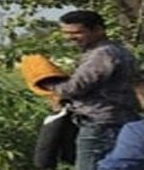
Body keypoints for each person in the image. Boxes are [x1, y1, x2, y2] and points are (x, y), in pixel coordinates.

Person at [46, 10, 140, 170]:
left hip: (101, 124)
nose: (70, 37)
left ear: (98, 30)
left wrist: (45, 81)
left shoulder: (102, 54)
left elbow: (73, 88)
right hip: (113, 120)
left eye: (77, 32)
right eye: (66, 33)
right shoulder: (115, 50)